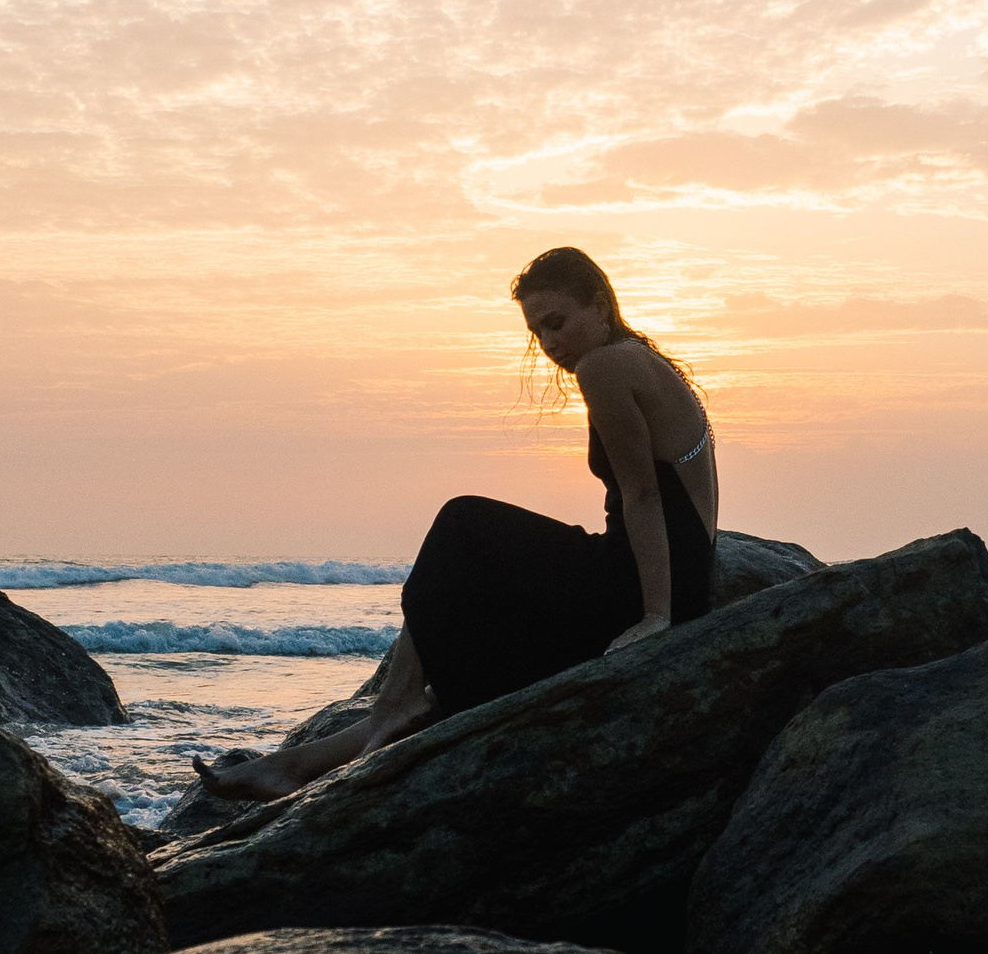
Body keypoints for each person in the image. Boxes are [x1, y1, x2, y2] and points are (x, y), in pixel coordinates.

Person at [192, 247, 717, 802]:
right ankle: (296, 765)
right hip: (681, 582)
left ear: (599, 303)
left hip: (641, 587)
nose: (550, 344)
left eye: (557, 323)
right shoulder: (641, 360)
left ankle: (394, 704)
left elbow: (641, 494)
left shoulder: (605, 366)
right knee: (478, 658)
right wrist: (680, 599)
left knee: (462, 521)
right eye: (538, 332)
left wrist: (657, 615)